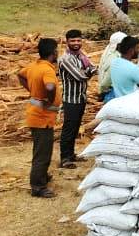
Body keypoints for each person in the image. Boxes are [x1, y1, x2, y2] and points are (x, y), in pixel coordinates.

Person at [17, 38, 62, 198]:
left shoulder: (35, 66)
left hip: (38, 115)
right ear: (53, 53)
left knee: (42, 150)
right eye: (57, 50)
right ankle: (38, 186)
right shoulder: (47, 70)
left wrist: (32, 90)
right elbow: (50, 86)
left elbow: (20, 75)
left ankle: (41, 176)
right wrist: (49, 98)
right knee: (42, 154)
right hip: (41, 117)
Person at [57, 29, 96, 169]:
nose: (76, 43)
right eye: (73, 41)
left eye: (78, 40)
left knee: (74, 128)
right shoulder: (65, 59)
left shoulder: (81, 56)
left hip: (81, 98)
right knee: (68, 129)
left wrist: (87, 71)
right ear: (67, 42)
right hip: (71, 99)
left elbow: (92, 68)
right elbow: (81, 76)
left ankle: (71, 154)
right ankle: (64, 158)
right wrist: (87, 72)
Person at [97, 32, 127, 101]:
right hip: (113, 93)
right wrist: (102, 90)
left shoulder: (109, 51)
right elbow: (108, 79)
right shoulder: (116, 58)